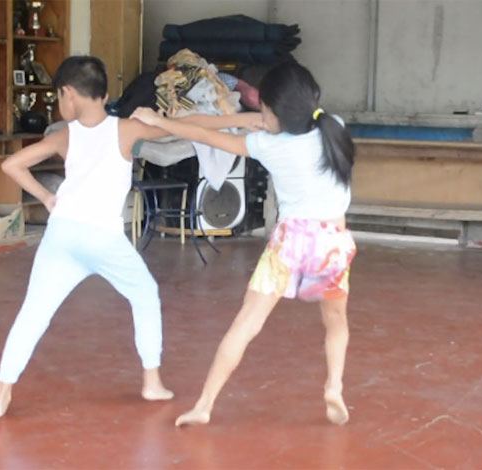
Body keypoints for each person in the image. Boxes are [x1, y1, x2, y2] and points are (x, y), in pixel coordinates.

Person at [131, 61, 357, 426]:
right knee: (335, 322)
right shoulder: (335, 128)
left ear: (277, 111)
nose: (259, 114)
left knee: (246, 324)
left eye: (263, 108)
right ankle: (334, 387)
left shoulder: (268, 145)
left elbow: (206, 136)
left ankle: (204, 405)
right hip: (331, 242)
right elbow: (270, 123)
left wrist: (161, 123)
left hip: (292, 241)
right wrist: (262, 120)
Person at [0, 56, 175, 418]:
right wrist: (159, 120)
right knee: (145, 293)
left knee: (33, 313)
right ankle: (152, 382)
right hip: (102, 238)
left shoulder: (63, 135)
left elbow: (11, 165)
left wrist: (46, 197)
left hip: (62, 234)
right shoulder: (125, 129)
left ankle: (0, 396)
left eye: (58, 96)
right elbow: (189, 128)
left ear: (69, 93)